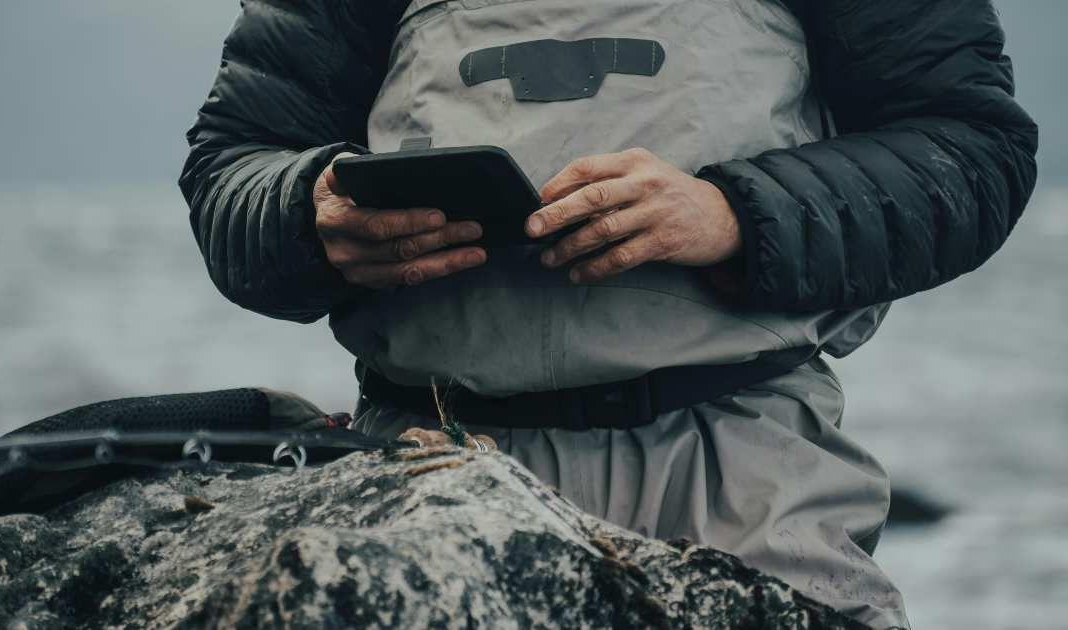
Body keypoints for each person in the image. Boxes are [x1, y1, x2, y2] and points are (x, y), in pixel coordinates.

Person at [179, 1, 1037, 627]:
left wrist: (732, 216)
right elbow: (232, 165)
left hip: (740, 473)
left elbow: (970, 149)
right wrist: (307, 215)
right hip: (424, 464)